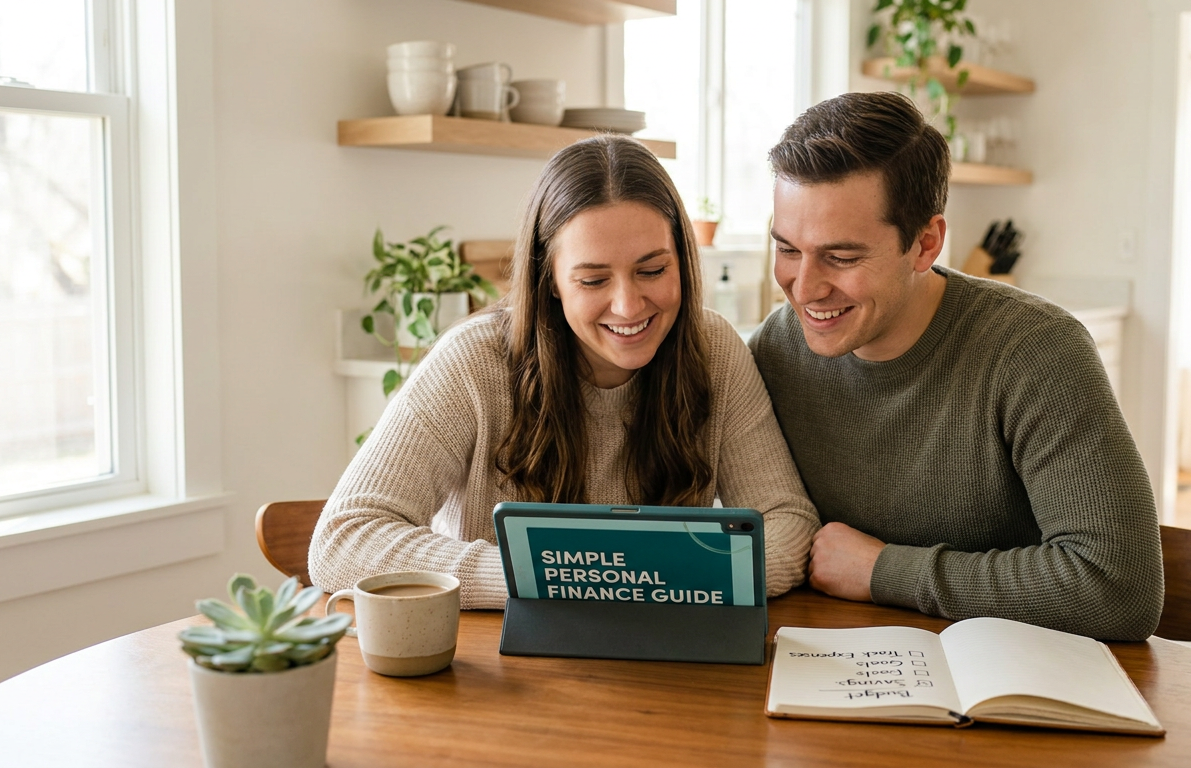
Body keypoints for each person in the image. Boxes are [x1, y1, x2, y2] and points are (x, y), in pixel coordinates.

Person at [310, 135, 820, 609]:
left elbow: (788, 522)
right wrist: (570, 575)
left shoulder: (713, 349)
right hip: (501, 671)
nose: (627, 305)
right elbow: (343, 539)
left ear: (682, 262)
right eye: (594, 279)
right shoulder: (473, 362)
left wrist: (641, 580)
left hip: (663, 664)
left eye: (653, 270)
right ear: (550, 281)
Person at [750, 91, 1163, 641]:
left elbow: (1118, 588)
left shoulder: (1038, 353)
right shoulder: (774, 352)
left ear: (926, 244)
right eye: (787, 249)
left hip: (1009, 683)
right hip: (838, 674)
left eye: (842, 258)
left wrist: (884, 571)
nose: (804, 288)